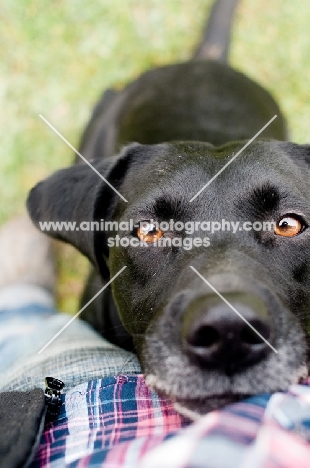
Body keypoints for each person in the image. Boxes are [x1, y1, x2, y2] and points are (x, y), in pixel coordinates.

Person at [1, 215, 310, 468]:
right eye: (150, 231)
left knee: (28, 331)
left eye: (287, 226)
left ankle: (20, 297)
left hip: (74, 418)